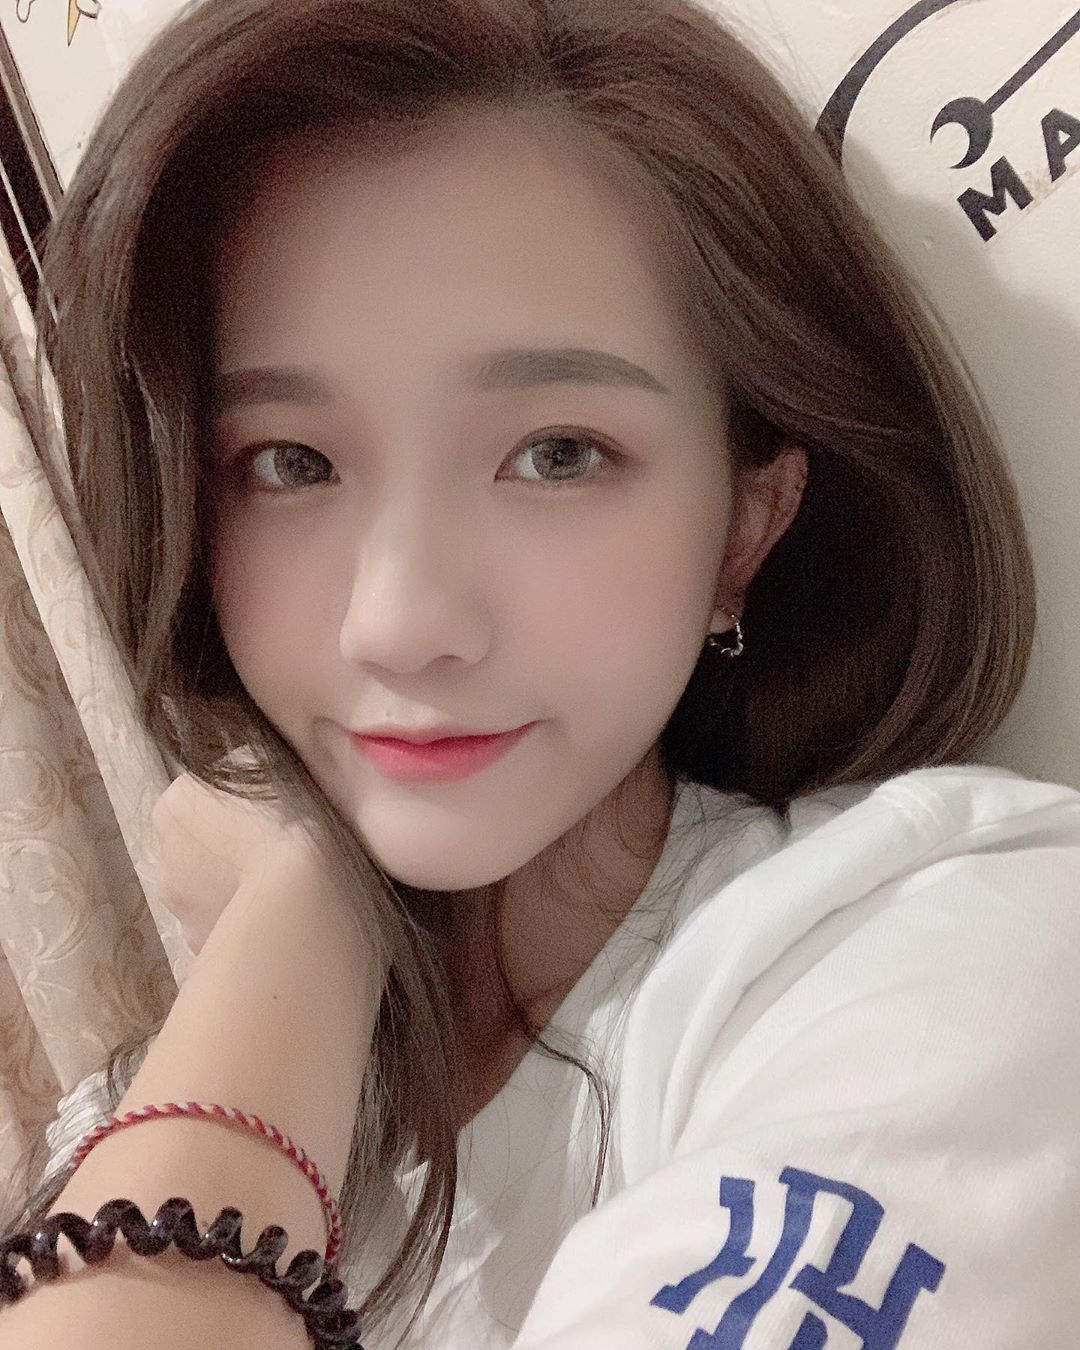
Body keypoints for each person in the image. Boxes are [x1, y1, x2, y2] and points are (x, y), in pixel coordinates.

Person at [2, 0, 1080, 1345]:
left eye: (557, 454)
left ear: (745, 523)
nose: (399, 623)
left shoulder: (946, 949)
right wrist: (308, 936)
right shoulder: (124, 1117)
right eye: (289, 462)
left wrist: (299, 903)